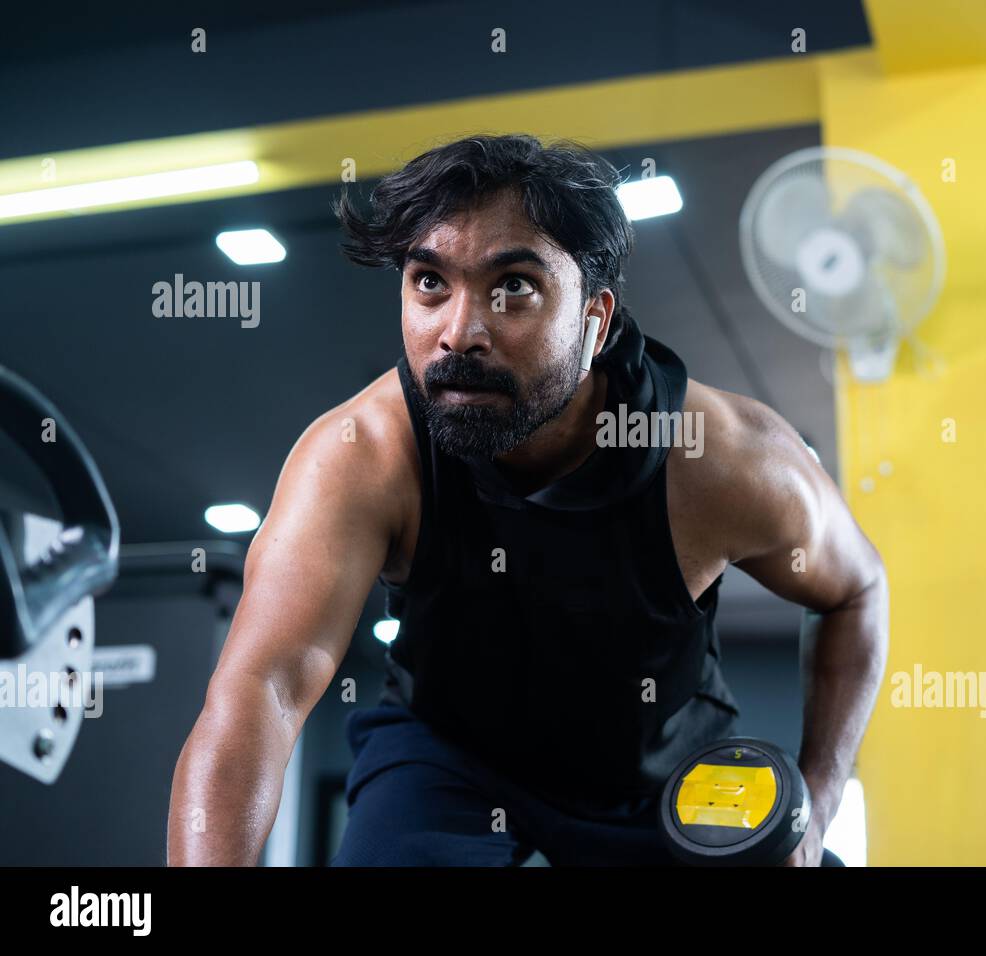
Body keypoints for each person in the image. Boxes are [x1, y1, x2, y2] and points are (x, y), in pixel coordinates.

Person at [167, 134, 888, 866]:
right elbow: (261, 692)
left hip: (664, 777)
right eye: (429, 283)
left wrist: (821, 803)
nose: (459, 332)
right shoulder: (364, 455)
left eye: (513, 287)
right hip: (446, 762)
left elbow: (857, 590)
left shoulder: (718, 458)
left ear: (594, 320)